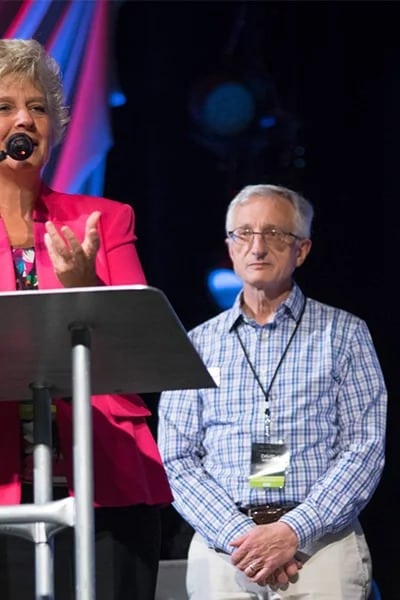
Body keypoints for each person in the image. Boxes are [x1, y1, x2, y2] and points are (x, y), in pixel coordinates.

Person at [0, 38, 172, 599]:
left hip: (102, 478)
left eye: (38, 107)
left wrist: (85, 289)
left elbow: (140, 352)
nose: (26, 117)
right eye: (4, 106)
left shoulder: (105, 219)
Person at [157, 184, 387, 599]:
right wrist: (240, 536)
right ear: (230, 248)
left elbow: (364, 447)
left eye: (276, 234)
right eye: (244, 233)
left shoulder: (345, 334)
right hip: (224, 549)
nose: (258, 247)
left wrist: (293, 530)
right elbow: (176, 459)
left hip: (321, 546)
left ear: (301, 250)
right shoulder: (193, 344)